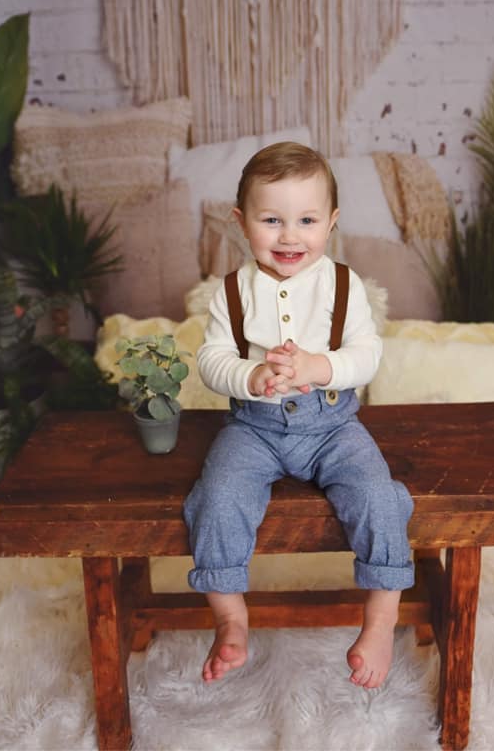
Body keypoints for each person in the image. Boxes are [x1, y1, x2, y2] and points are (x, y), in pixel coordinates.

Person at [183, 142, 414, 690]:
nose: (290, 236)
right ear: (241, 222)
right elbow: (212, 360)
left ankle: (381, 619)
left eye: (307, 221)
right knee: (217, 495)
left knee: (378, 495)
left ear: (331, 222)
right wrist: (250, 376)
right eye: (272, 220)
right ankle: (230, 618)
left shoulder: (344, 285)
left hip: (332, 425)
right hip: (254, 428)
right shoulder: (231, 292)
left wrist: (320, 366)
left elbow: (367, 355)